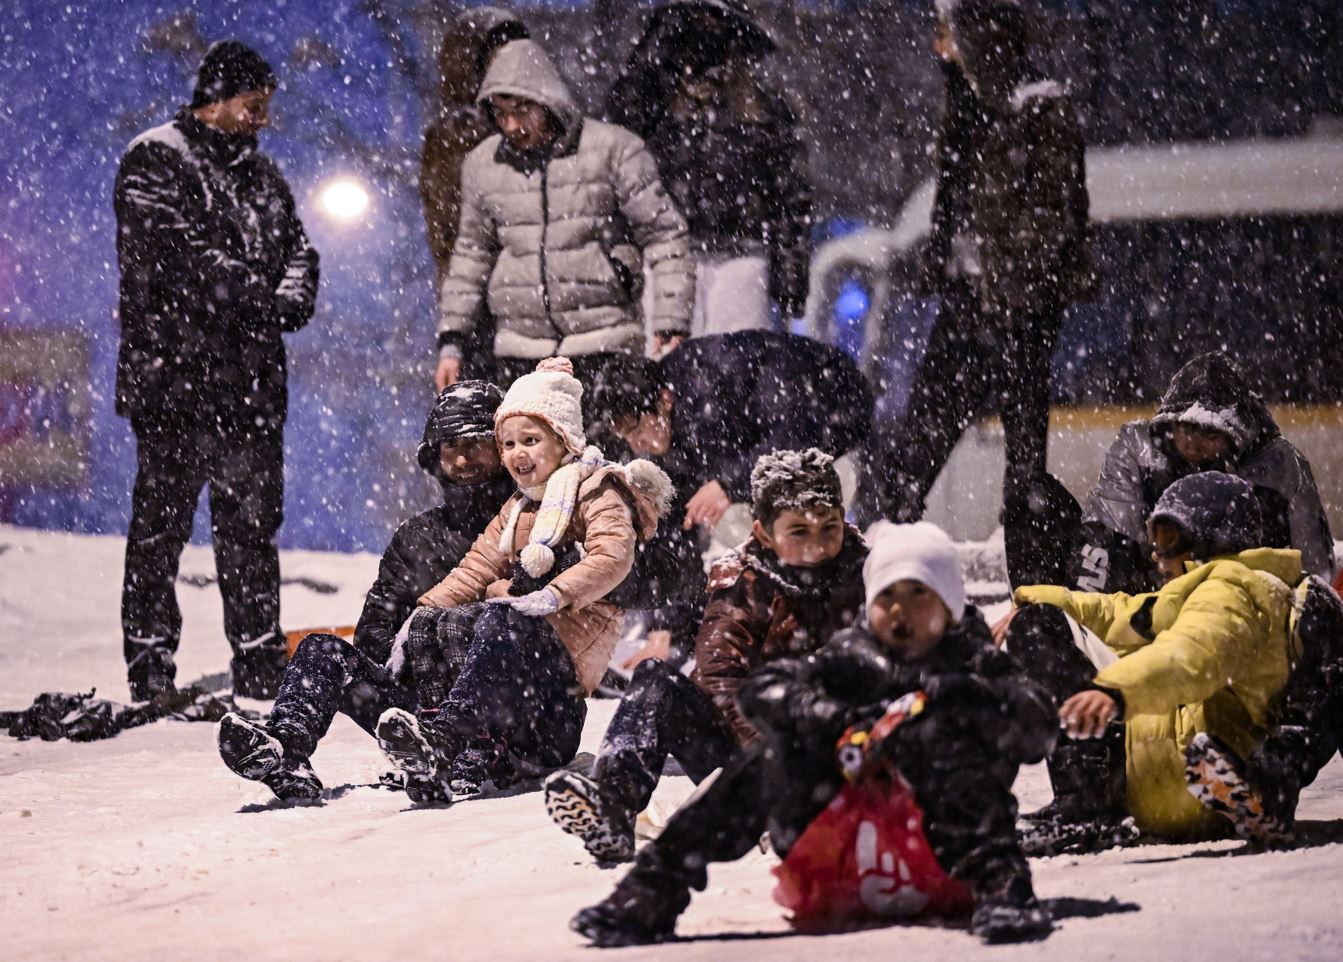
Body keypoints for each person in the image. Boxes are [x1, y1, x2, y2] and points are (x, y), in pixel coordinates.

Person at [572, 521, 1057, 946]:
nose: (899, 610)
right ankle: (654, 887)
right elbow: (764, 691)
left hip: (946, 860)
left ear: (950, 605)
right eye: (887, 595)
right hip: (840, 855)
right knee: (774, 758)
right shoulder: (853, 656)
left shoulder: (976, 663)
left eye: (918, 594)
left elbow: (1037, 726)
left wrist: (965, 704)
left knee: (944, 738)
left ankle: (1004, 885)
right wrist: (827, 716)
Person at [855, 0, 1091, 587]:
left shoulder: (1041, 108)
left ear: (980, 36)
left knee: (1023, 448)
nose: (940, 47)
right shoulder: (964, 104)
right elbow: (955, 202)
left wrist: (1004, 275)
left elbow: (1051, 215)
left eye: (948, 33)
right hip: (969, 300)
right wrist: (949, 264)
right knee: (924, 430)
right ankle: (881, 548)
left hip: (1023, 305)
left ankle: (1027, 570)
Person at [113, 41, 319, 701]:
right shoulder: (155, 158)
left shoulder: (263, 176)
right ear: (218, 99)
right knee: (160, 531)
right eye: (253, 105)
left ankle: (259, 665)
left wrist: (288, 293)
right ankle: (151, 669)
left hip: (250, 388)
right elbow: (177, 256)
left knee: (251, 531)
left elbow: (300, 251)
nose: (263, 119)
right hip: (173, 384)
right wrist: (265, 298)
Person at [543, 448, 866, 862]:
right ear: (764, 533)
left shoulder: (873, 573)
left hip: (851, 752)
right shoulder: (742, 582)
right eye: (798, 531)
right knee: (656, 680)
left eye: (829, 528)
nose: (816, 546)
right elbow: (719, 677)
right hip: (751, 757)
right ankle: (613, 802)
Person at [375, 358, 674, 801]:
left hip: (555, 700)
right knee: (438, 623)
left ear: (564, 441)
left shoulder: (597, 490)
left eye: (531, 441)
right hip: (525, 676)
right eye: (509, 443)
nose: (518, 454)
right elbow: (475, 568)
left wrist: (554, 594)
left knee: (501, 621)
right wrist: (417, 616)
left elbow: (613, 556)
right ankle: (437, 745)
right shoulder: (518, 508)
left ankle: (450, 736)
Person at [215, 382, 514, 800]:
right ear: (435, 456)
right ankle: (285, 748)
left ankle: (465, 754)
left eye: (475, 444)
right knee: (321, 650)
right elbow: (373, 636)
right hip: (421, 714)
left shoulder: (534, 523)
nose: (463, 459)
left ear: (503, 449)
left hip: (513, 718)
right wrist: (419, 664)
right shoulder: (415, 538)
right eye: (451, 446)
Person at [1005, 471, 1302, 851]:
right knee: (1041, 621)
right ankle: (1094, 799)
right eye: (1155, 539)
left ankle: (1087, 801)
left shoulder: (1229, 589)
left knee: (1037, 631)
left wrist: (1113, 692)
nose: (1157, 555)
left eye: (1170, 539)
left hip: (1180, 771)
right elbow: (1118, 614)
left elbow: (1189, 655)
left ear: (1213, 536)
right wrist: (1037, 598)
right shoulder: (1210, 588)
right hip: (1182, 775)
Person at [433, 39, 693, 391]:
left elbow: (665, 234)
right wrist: (452, 342)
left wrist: (671, 320)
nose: (511, 125)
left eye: (522, 110)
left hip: (605, 343)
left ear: (548, 100)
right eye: (501, 113)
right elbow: (471, 254)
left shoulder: (613, 150)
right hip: (521, 352)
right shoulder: (483, 165)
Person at [605, 0, 811, 335]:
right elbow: (618, 131)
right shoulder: (653, 98)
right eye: (695, 19)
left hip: (741, 260)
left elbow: (790, 191)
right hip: (667, 260)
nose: (703, 30)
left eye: (713, 20)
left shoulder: (759, 107)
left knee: (737, 360)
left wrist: (791, 265)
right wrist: (657, 46)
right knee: (669, 360)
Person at [1071, 351, 1335, 594]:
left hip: (1249, 604)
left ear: (1237, 436)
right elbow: (1103, 548)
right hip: (1151, 603)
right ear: (1169, 424)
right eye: (1185, 427)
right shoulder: (1137, 451)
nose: (1192, 443)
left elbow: (1315, 574)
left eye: (1209, 432)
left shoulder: (1281, 467)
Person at [593, 331, 872, 536]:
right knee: (717, 516)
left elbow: (798, 431)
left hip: (839, 420)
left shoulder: (718, 380)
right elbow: (674, 520)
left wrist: (730, 485)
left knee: (737, 514)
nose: (637, 445)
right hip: (786, 446)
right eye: (626, 438)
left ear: (664, 400)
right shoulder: (670, 424)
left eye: (638, 430)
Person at [421, 7, 528, 381]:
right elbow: (455, 232)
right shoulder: (459, 137)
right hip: (486, 300)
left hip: (514, 295)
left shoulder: (512, 126)